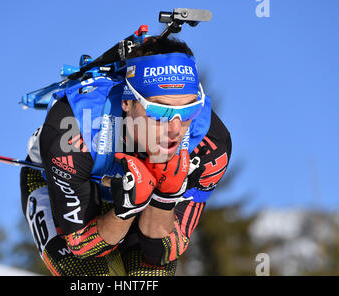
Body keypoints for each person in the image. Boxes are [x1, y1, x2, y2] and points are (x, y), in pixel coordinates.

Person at [20, 36, 232, 276]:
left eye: (188, 110)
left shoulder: (209, 143)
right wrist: (126, 209)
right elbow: (81, 247)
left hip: (139, 204)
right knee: (88, 276)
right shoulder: (73, 129)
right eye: (159, 110)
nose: (174, 128)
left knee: (152, 275)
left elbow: (160, 253)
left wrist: (165, 198)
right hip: (60, 185)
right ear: (128, 102)